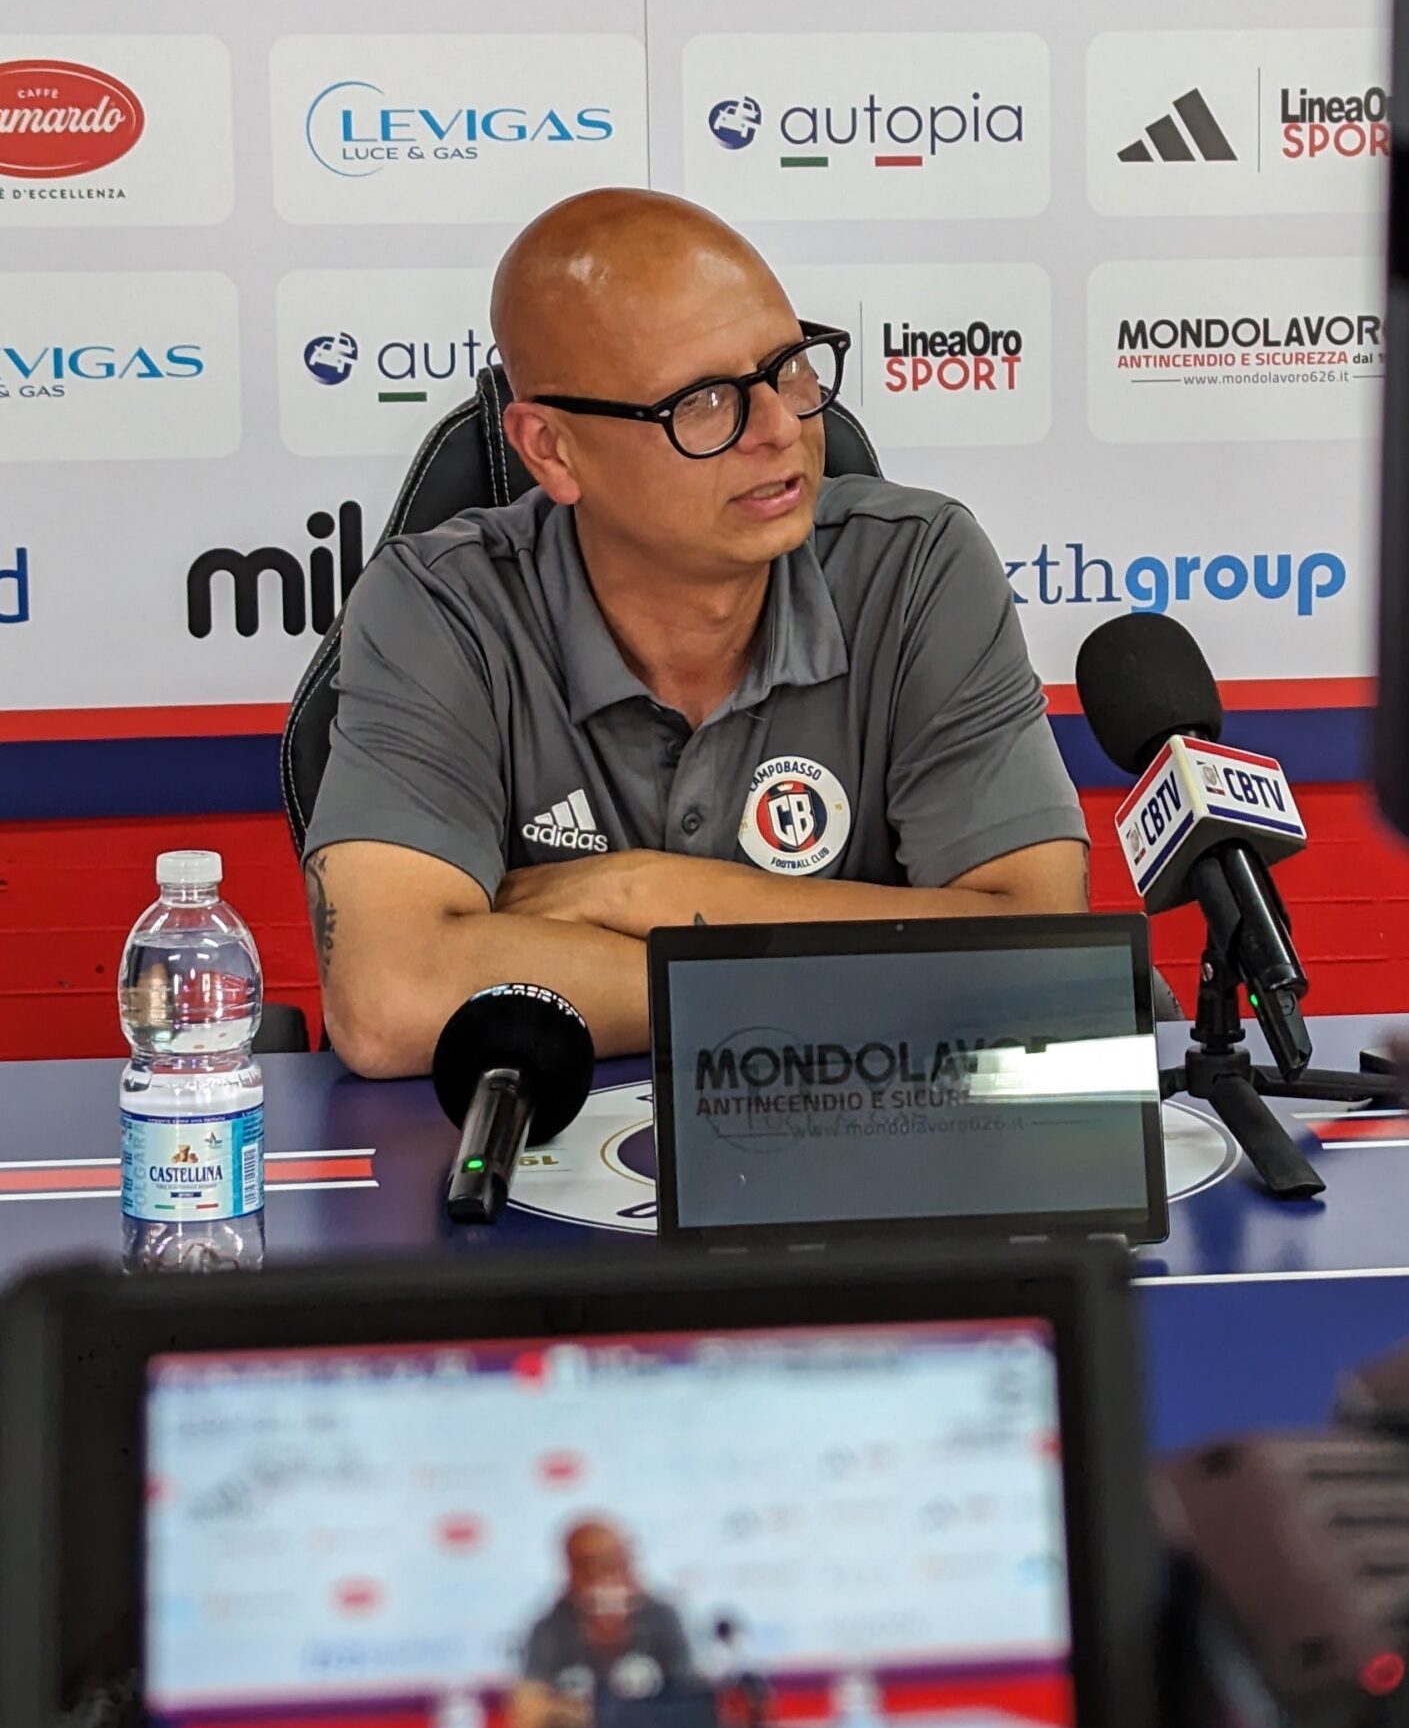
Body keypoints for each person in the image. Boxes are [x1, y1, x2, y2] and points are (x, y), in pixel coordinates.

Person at [304, 188, 1092, 1076]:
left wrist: (650, 891)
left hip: (878, 1149)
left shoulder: (918, 567)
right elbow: (392, 1000)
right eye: (705, 401)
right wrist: (862, 974)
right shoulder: (438, 607)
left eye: (788, 366)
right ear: (552, 450)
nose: (783, 427)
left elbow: (1040, 950)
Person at [506, 1514, 697, 1728]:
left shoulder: (661, 1617)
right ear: (571, 1569)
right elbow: (527, 1719)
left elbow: (691, 1708)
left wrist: (573, 1713)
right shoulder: (550, 1627)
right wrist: (616, 1716)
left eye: (618, 1560)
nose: (607, 1575)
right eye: (590, 1564)